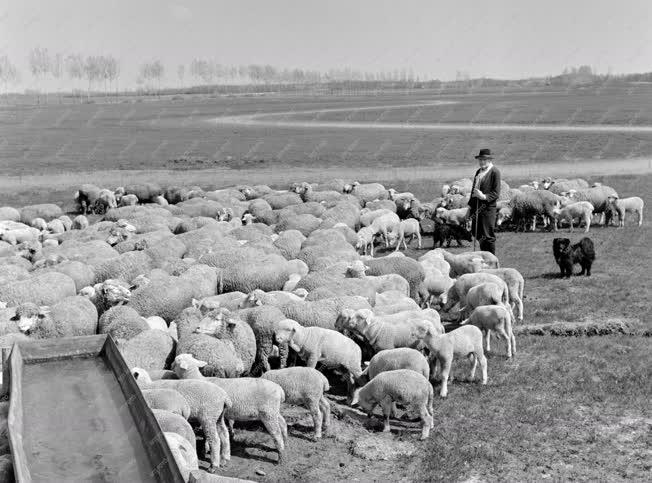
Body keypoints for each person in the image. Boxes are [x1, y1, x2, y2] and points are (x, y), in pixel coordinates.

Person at [468, 148, 501, 255]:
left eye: (484, 160)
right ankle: (484, 254)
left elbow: (496, 193)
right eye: (480, 160)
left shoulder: (495, 172)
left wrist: (483, 196)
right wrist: (469, 208)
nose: (481, 162)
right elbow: (474, 190)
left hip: (488, 209)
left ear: (489, 160)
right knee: (476, 232)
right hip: (477, 208)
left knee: (488, 235)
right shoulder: (478, 171)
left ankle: (491, 259)